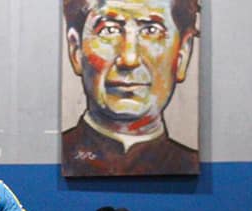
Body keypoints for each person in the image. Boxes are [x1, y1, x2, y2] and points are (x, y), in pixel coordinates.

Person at [61, 0, 201, 177]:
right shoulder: (59, 156)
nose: (129, 59)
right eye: (109, 30)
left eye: (151, 30)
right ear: (76, 50)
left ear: (182, 55)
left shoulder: (188, 164)